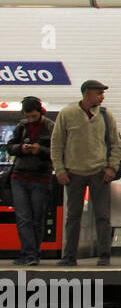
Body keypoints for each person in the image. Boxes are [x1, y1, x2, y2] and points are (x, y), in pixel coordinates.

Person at [51, 80, 121, 266]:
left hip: (100, 172)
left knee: (103, 216)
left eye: (102, 93)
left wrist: (111, 167)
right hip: (73, 172)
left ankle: (104, 255)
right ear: (86, 93)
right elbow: (57, 143)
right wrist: (59, 169)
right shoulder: (67, 114)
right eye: (98, 93)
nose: (102, 96)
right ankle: (69, 256)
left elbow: (117, 144)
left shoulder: (106, 115)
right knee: (73, 216)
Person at [5, 96, 54, 266]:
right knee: (23, 217)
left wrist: (40, 150)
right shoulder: (22, 126)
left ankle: (33, 254)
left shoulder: (50, 127)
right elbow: (10, 146)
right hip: (19, 177)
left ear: (40, 112)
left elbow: (57, 151)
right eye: (29, 116)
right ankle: (28, 253)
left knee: (37, 217)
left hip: (41, 177)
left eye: (34, 116)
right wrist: (21, 148)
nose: (31, 120)